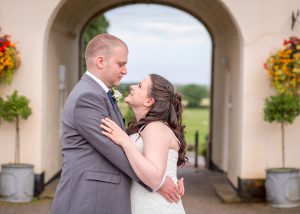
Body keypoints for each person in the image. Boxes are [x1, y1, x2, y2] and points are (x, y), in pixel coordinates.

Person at [50, 34, 182, 214]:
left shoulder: (100, 95)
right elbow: (114, 151)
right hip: (89, 200)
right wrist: (158, 182)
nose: (126, 71)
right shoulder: (87, 97)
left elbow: (129, 147)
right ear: (101, 61)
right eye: (121, 64)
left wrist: (160, 177)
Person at [101, 74, 187, 213]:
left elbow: (154, 178)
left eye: (140, 86)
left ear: (148, 101)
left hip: (155, 207)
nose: (132, 86)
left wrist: (124, 141)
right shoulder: (147, 127)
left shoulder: (155, 127)